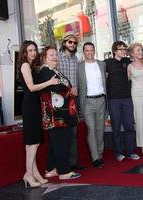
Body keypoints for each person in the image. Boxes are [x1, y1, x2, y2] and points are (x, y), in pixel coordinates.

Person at [17, 40, 59, 187]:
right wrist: (50, 82)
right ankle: (28, 174)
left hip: (33, 105)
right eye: (30, 50)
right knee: (33, 143)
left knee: (31, 143)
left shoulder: (31, 65)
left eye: (34, 50)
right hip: (30, 106)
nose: (33, 53)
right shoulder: (25, 65)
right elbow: (32, 87)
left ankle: (35, 174)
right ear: (24, 52)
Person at [38, 46, 81, 180]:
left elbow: (62, 86)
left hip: (61, 114)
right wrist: (69, 90)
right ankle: (63, 172)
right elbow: (57, 88)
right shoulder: (45, 71)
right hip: (55, 116)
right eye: (51, 55)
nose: (55, 57)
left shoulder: (54, 71)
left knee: (55, 144)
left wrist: (68, 88)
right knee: (61, 143)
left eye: (56, 55)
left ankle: (51, 169)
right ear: (44, 58)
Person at [105, 41, 140, 162]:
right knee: (116, 127)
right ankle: (119, 153)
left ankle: (131, 151)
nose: (123, 51)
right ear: (115, 51)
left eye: (124, 49)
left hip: (127, 98)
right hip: (113, 99)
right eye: (121, 49)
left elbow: (139, 61)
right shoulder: (107, 63)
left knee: (129, 125)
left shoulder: (127, 62)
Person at [77, 42, 106, 168]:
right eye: (87, 50)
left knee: (100, 129)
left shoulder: (102, 64)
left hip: (101, 100)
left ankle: (99, 154)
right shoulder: (79, 67)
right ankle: (95, 159)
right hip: (87, 101)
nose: (89, 52)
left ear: (94, 51)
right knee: (91, 129)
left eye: (91, 50)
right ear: (84, 52)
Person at [58, 31, 84, 170]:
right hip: (61, 100)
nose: (73, 44)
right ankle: (63, 164)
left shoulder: (76, 59)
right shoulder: (57, 57)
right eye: (70, 42)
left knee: (73, 132)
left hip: (75, 100)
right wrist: (68, 89)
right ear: (64, 43)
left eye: (75, 43)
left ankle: (73, 162)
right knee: (63, 132)